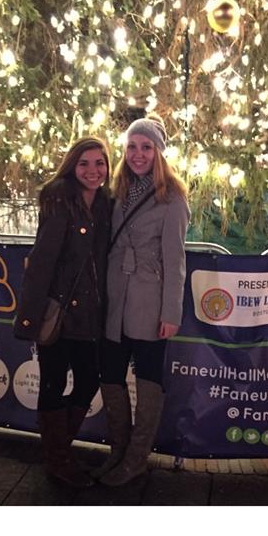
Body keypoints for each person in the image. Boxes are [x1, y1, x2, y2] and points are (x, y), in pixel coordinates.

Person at [96, 116, 190, 486]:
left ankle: (136, 460)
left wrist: (171, 312)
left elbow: (175, 259)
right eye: (132, 147)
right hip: (115, 299)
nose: (138, 154)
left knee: (148, 380)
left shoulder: (173, 197)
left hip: (151, 303)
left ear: (159, 152)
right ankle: (118, 452)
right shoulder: (117, 191)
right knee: (110, 376)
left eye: (146, 147)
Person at [14, 137, 111, 487]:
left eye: (99, 163)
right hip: (57, 311)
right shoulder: (59, 199)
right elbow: (41, 260)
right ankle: (58, 459)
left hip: (91, 315)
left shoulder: (106, 203)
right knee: (53, 384)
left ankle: (60, 451)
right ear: (73, 165)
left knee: (88, 380)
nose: (92, 171)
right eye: (84, 163)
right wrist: (29, 316)